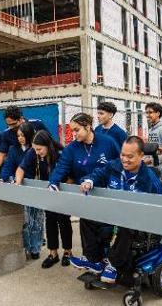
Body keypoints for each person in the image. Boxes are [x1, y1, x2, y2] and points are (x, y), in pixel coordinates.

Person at [75, 136, 162, 283]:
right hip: (113, 214)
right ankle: (94, 260)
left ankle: (113, 265)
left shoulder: (149, 179)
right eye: (123, 155)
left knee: (127, 225)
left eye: (130, 156)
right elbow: (98, 174)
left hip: (136, 220)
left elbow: (159, 205)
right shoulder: (113, 166)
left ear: (141, 156)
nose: (125, 160)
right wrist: (89, 181)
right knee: (86, 217)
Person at [48, 112, 120, 273]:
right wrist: (53, 182)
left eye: (77, 130)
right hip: (86, 194)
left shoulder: (107, 142)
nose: (73, 134)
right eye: (71, 130)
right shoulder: (72, 148)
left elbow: (119, 162)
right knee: (87, 227)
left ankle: (107, 260)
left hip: (107, 193)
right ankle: (91, 259)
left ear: (88, 127)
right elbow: (62, 166)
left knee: (105, 229)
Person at [18, 130, 73, 268]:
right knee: (50, 221)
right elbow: (21, 168)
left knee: (64, 220)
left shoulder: (61, 153)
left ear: (48, 145)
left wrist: (65, 192)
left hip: (62, 191)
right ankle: (52, 253)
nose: (37, 152)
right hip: (47, 193)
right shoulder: (33, 152)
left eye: (39, 149)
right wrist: (18, 182)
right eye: (35, 149)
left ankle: (68, 252)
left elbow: (71, 175)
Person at [0, 106, 49, 179]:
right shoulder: (6, 134)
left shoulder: (37, 124)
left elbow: (48, 142)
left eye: (13, 124)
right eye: (8, 125)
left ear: (21, 119)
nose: (11, 127)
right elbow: (1, 155)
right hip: (22, 171)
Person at [11, 123, 44, 260]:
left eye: (23, 135)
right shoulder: (17, 150)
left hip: (40, 189)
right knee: (28, 221)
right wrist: (15, 182)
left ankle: (36, 248)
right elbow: (19, 168)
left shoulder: (36, 149)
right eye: (18, 136)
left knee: (38, 221)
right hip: (26, 189)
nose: (20, 138)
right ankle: (28, 246)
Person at [143, 102, 162, 173]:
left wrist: (151, 160)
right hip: (153, 168)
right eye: (146, 113)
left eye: (150, 112)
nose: (147, 115)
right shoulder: (151, 130)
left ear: (158, 113)